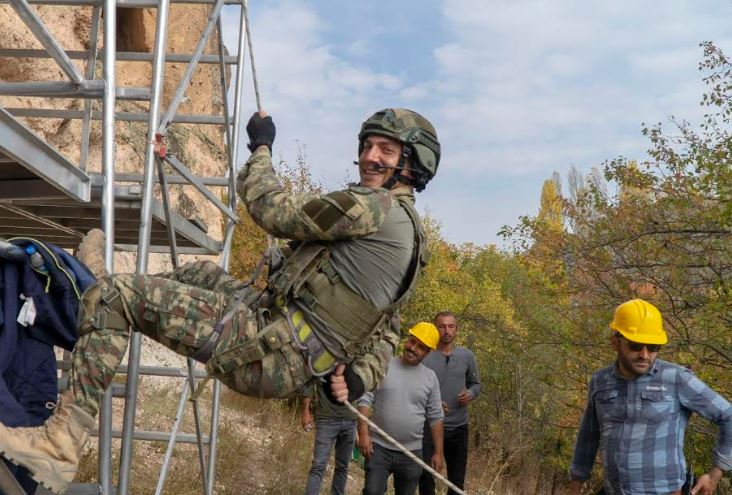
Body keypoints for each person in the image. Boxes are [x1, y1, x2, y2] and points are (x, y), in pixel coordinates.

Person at [0, 108, 441, 494]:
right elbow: (388, 328)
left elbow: (273, 210)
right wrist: (359, 379)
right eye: (368, 146)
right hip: (279, 329)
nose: (370, 156)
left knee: (118, 297)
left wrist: (262, 147)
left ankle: (57, 447)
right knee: (200, 273)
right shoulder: (408, 235)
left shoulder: (376, 207)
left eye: (386, 149)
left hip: (274, 350)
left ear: (411, 162)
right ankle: (93, 291)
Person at [568, 299, 732, 495]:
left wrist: (715, 474)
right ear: (615, 342)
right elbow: (588, 435)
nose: (645, 355)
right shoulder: (600, 382)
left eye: (653, 347)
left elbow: (728, 415)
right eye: (636, 345)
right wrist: (575, 485)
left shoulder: (676, 378)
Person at [356, 322, 445, 495]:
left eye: (420, 347)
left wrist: (438, 452)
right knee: (371, 491)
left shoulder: (430, 378)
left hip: (411, 453)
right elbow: (365, 398)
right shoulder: (384, 365)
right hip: (378, 447)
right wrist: (363, 433)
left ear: (427, 353)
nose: (413, 348)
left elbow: (436, 417)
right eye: (412, 341)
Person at [418, 311, 481, 495]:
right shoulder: (425, 356)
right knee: (426, 477)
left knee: (457, 481)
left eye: (451, 326)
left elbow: (476, 384)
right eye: (442, 326)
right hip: (429, 426)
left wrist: (470, 393)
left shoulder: (467, 356)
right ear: (435, 328)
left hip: (459, 427)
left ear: (456, 329)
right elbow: (414, 387)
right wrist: (432, 403)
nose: (447, 330)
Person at [301, 380, 357, 495]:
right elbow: (309, 382)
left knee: (343, 467)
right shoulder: (321, 362)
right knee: (318, 466)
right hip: (326, 419)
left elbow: (362, 385)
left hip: (350, 420)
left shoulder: (353, 361)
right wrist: (305, 411)